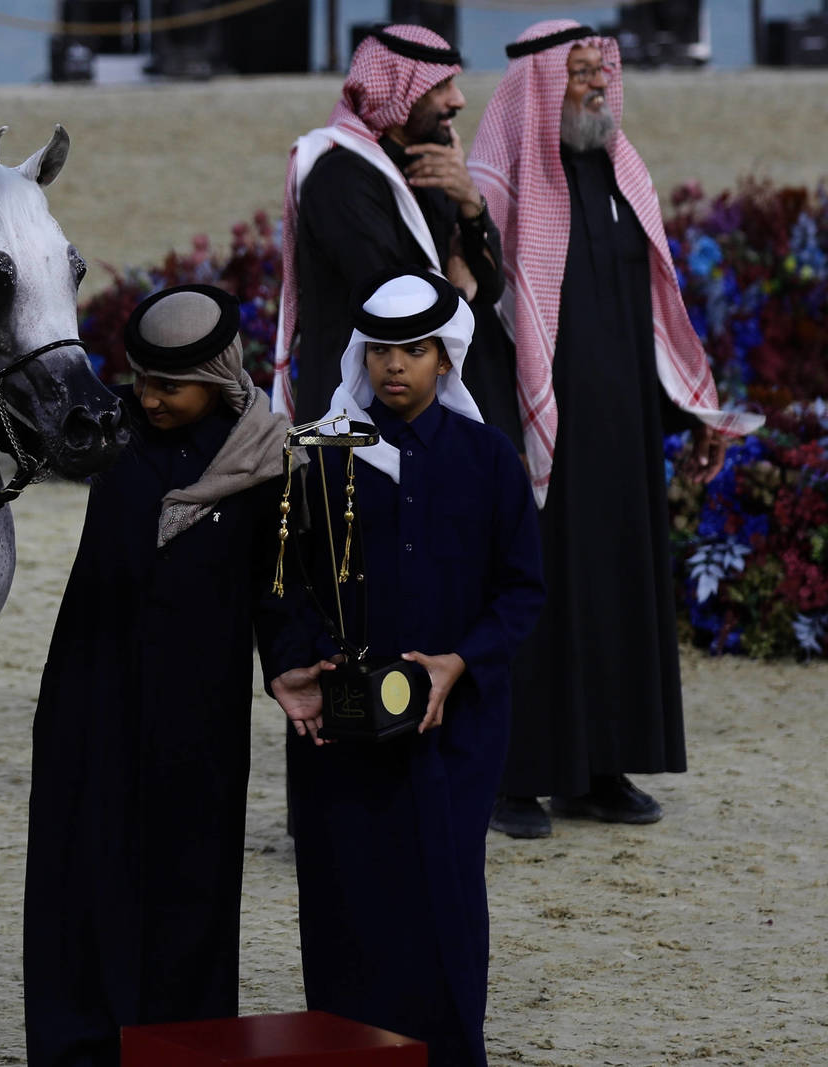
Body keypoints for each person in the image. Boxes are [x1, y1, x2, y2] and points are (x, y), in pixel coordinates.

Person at [468, 21, 764, 839]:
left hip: (619, 434)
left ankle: (600, 770)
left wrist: (686, 409)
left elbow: (651, 313)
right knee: (541, 595)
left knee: (612, 592)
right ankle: (518, 778)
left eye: (604, 71)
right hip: (533, 437)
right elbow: (474, 316)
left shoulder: (621, 173)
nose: (599, 85)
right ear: (539, 86)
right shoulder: (504, 182)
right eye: (581, 73)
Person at [23, 284, 313, 1066]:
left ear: (217, 377)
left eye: (169, 387)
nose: (148, 399)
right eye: (142, 379)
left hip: (199, 708)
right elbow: (6, 425)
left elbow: (276, 585)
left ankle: (182, 1044)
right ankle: (78, 1046)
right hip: (94, 691)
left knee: (191, 880)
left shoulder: (261, 455)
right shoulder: (106, 423)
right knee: (83, 872)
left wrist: (286, 666)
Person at [280, 270, 544, 1066]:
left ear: (446, 358)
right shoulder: (321, 457)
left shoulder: (490, 460)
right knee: (347, 897)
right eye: (383, 350)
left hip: (454, 733)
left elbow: (523, 590)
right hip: (342, 729)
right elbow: (283, 581)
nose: (396, 366)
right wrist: (300, 663)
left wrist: (460, 663)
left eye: (416, 349)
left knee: (443, 898)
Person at [274, 23, 511, 432]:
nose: (458, 100)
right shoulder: (342, 177)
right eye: (442, 86)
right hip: (352, 413)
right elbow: (395, 301)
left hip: (419, 405)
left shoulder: (430, 168)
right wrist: (456, 288)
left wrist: (472, 203)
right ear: (399, 93)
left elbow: (489, 287)